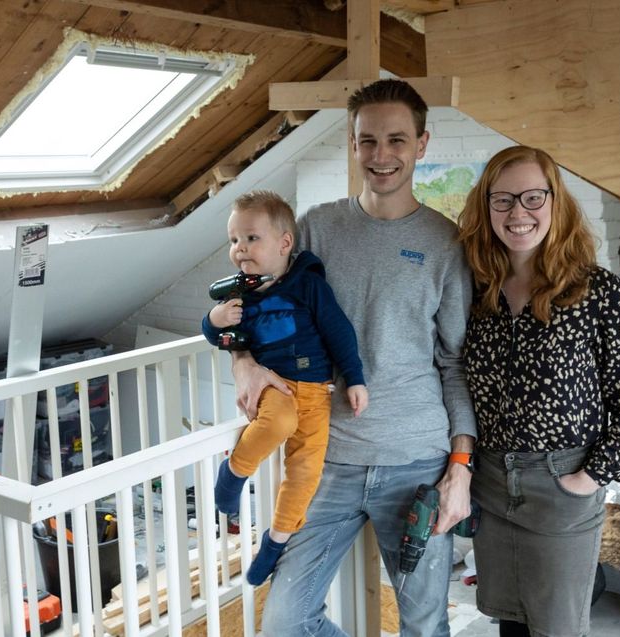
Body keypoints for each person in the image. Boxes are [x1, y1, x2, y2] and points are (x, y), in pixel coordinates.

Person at [232, 79, 476, 636]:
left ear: (421, 144)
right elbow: (249, 306)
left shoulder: (445, 243)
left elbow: (455, 364)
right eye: (367, 141)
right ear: (352, 142)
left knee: (424, 627)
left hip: (417, 462)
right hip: (326, 460)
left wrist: (459, 469)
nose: (381, 156)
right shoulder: (316, 227)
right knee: (285, 625)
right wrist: (243, 362)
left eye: (396, 140)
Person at [457, 145, 620, 637]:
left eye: (532, 197)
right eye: (502, 200)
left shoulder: (597, 291)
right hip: (491, 482)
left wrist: (589, 478)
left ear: (555, 202)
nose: (517, 213)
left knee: (557, 629)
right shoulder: (474, 289)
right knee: (510, 622)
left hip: (562, 480)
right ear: (486, 208)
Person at [202, 190, 369, 585]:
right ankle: (234, 472)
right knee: (276, 424)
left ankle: (275, 542)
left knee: (305, 472)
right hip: (275, 385)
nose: (240, 248)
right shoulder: (237, 295)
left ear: (285, 243)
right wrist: (215, 317)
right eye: (233, 240)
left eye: (251, 238)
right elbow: (216, 335)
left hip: (318, 393)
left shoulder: (308, 286)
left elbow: (339, 333)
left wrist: (355, 378)